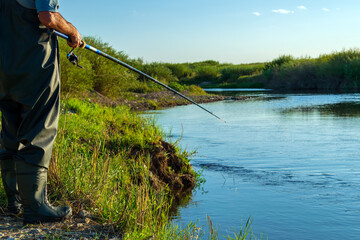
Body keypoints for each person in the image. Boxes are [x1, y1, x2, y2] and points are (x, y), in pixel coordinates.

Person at [0, 0, 81, 224]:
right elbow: (48, 17)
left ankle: (14, 202)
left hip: (4, 68)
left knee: (10, 131)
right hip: (35, 66)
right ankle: (34, 207)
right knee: (38, 130)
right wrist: (73, 32)